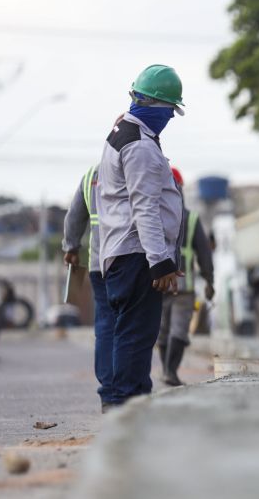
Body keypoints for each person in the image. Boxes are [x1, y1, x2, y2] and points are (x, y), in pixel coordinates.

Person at [97, 64, 185, 411]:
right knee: (136, 335)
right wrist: (160, 261)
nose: (170, 118)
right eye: (170, 111)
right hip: (136, 255)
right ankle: (128, 409)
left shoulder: (121, 132)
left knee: (125, 334)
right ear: (157, 106)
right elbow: (145, 208)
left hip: (121, 253)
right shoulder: (140, 147)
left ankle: (117, 403)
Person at [62, 163, 120, 411]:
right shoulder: (130, 164)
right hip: (126, 261)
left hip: (98, 264)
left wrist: (71, 247)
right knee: (129, 325)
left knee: (105, 326)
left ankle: (108, 393)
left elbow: (74, 216)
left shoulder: (90, 177)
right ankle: (128, 390)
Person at [157, 167, 215, 386]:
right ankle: (169, 371)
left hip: (159, 283)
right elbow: (205, 253)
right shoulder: (190, 219)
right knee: (177, 329)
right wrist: (210, 281)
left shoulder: (152, 214)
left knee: (163, 330)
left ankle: (167, 370)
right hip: (183, 285)